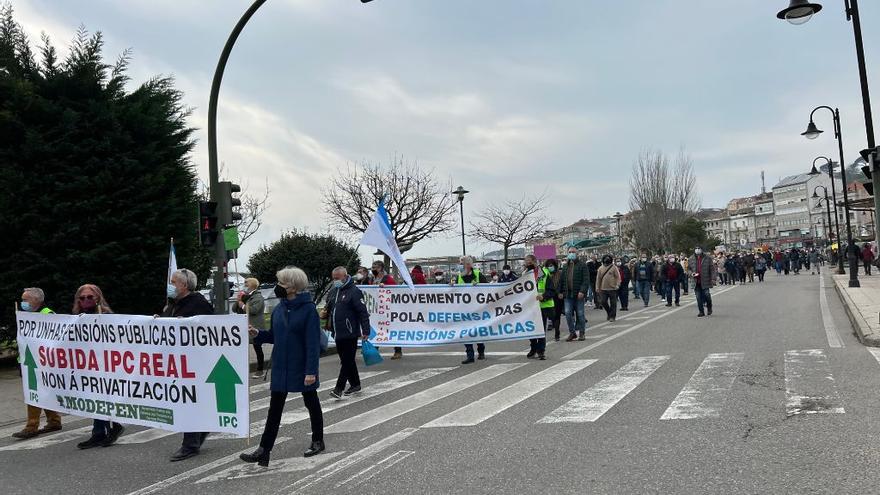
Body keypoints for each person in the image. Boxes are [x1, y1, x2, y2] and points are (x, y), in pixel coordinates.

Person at [241, 266, 325, 467]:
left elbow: (312, 343)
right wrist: (258, 334)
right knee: (274, 409)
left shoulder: (308, 310)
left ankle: (318, 440)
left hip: (301, 366)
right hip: (280, 365)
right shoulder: (279, 309)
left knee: (311, 403)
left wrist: (311, 371)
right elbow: (274, 336)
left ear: (293, 287)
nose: (278, 286)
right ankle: (264, 450)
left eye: (282, 283)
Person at [163, 269, 214, 461]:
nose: (171, 285)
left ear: (184, 285)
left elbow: (210, 329)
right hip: (177, 362)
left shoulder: (198, 303)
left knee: (188, 402)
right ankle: (199, 433)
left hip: (194, 362)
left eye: (173, 282)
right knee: (186, 402)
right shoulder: (174, 304)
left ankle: (190, 444)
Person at [74, 284, 125, 449]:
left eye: (90, 297)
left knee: (104, 398)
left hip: (106, 365)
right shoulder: (78, 317)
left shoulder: (106, 315)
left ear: (97, 297)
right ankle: (100, 432)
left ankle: (110, 427)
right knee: (95, 399)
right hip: (89, 365)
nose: (86, 300)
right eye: (82, 298)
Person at [12, 288, 62, 440]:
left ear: (36, 300)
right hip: (30, 361)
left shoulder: (48, 314)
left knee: (34, 392)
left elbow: (56, 338)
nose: (23, 303)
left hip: (43, 363)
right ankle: (54, 421)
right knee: (42, 391)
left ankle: (31, 426)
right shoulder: (26, 316)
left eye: (25, 300)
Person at [324, 267, 370, 400]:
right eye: (333, 278)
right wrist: (325, 315)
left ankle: (339, 388)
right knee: (347, 361)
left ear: (344, 277)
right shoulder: (334, 291)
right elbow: (330, 308)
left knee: (346, 361)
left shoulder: (354, 292)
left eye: (337, 278)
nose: (335, 281)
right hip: (337, 332)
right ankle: (355, 384)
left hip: (350, 332)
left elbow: (362, 312)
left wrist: (365, 330)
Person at [454, 256, 488, 364]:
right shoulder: (459, 276)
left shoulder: (478, 274)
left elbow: (488, 288)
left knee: (477, 331)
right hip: (464, 309)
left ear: (468, 265)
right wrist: (451, 286)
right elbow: (455, 290)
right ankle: (470, 355)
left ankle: (481, 351)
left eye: (461, 264)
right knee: (466, 332)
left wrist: (478, 286)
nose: (460, 266)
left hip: (477, 309)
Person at [234, 278, 266, 379]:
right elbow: (234, 309)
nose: (245, 285)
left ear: (251, 285)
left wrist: (243, 305)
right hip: (244, 326)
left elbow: (254, 310)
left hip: (255, 326)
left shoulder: (258, 297)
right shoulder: (245, 296)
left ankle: (260, 370)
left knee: (257, 348)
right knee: (243, 348)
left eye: (246, 283)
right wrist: (238, 300)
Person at [372, 261, 402, 360]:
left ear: (380, 268)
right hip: (378, 308)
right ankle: (375, 350)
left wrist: (385, 287)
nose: (373, 269)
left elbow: (395, 291)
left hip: (388, 308)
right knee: (377, 329)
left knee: (392, 329)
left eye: (375, 267)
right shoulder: (374, 279)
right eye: (372, 267)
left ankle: (398, 351)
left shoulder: (387, 278)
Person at [559, 247, 589, 342]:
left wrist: (582, 291)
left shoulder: (582, 265)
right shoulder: (565, 266)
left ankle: (582, 332)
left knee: (580, 314)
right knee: (567, 313)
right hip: (568, 295)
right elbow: (562, 280)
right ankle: (572, 332)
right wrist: (560, 292)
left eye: (573, 252)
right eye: (570, 252)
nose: (571, 253)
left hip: (578, 294)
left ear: (577, 253)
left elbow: (586, 280)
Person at [527, 255, 554, 360]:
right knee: (531, 329)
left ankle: (541, 350)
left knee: (541, 329)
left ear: (535, 262)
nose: (527, 264)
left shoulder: (545, 273)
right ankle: (533, 348)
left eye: (529, 262)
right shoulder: (525, 274)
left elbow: (551, 290)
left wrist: (543, 296)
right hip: (530, 307)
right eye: (526, 262)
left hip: (542, 306)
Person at [688, 247, 717, 318]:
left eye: (699, 248)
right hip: (696, 281)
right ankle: (701, 311)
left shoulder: (707, 258)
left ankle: (709, 307)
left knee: (707, 295)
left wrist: (713, 278)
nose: (697, 250)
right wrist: (691, 273)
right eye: (696, 248)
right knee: (698, 297)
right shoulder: (691, 258)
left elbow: (712, 269)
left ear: (701, 250)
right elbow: (688, 269)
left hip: (705, 280)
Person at [595, 254, 620, 322]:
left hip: (612, 288)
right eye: (605, 258)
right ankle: (609, 312)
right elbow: (598, 279)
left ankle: (612, 316)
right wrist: (597, 287)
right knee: (603, 302)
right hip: (603, 289)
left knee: (613, 304)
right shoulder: (600, 268)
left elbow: (618, 277)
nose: (607, 259)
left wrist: (617, 284)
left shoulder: (614, 267)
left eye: (608, 258)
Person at [547, 259, 564, 342]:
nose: (550, 267)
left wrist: (561, 293)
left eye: (552, 265)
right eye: (548, 266)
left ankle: (557, 332)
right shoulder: (544, 274)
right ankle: (552, 325)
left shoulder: (560, 274)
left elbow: (562, 284)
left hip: (558, 297)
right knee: (551, 316)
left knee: (557, 315)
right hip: (548, 297)